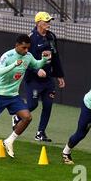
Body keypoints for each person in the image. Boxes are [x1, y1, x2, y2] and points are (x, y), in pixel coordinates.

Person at [0, 34, 51, 160]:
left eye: (28, 48)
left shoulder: (28, 56)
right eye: (24, 48)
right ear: (16, 46)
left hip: (13, 96)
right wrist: (13, 65)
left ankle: (9, 141)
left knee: (27, 117)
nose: (26, 50)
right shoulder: (7, 56)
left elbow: (36, 65)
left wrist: (44, 60)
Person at [12, 11, 65, 142]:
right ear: (38, 23)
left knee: (48, 105)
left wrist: (59, 75)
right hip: (33, 79)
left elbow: (56, 57)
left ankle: (40, 132)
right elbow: (24, 60)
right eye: (46, 21)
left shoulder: (52, 37)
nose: (49, 24)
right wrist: (37, 70)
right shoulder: (30, 39)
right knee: (32, 105)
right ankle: (17, 117)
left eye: (49, 21)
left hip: (48, 79)